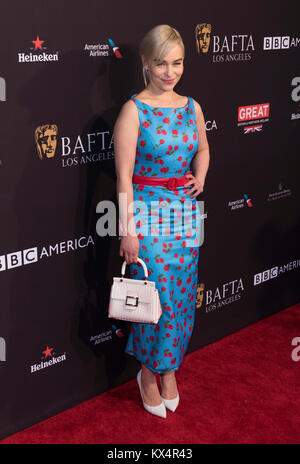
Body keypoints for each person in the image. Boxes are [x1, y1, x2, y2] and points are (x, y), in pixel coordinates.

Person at [113, 24, 210, 418]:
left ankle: (169, 370)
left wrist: (200, 176)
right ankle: (147, 375)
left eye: (177, 63)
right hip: (149, 216)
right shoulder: (133, 111)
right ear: (145, 64)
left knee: (183, 300)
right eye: (161, 64)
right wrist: (128, 230)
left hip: (185, 218)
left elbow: (202, 149)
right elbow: (123, 178)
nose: (170, 72)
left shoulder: (192, 106)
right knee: (159, 301)